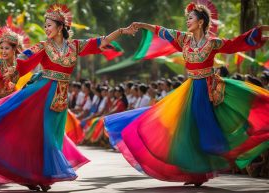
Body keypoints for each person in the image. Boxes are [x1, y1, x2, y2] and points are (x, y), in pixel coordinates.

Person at [0, 4, 135, 192]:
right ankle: (34, 175)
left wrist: (121, 31)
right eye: (45, 26)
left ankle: (40, 176)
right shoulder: (43, 46)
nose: (46, 29)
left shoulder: (75, 46)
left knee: (53, 136)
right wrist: (11, 69)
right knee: (41, 135)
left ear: (60, 27)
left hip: (61, 97)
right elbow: (24, 58)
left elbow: (100, 42)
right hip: (41, 93)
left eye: (49, 25)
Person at [105, 2, 269, 187]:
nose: (187, 21)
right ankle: (195, 174)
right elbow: (162, 31)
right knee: (188, 131)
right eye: (187, 18)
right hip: (190, 89)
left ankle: (213, 166)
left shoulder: (213, 42)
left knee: (207, 132)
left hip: (209, 90)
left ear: (201, 22)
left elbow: (235, 43)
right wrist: (142, 25)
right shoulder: (184, 40)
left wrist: (258, 31)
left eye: (190, 18)